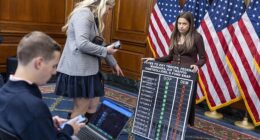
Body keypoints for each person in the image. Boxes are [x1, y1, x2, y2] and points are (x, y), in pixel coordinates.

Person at [0, 31, 85, 140]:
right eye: (54, 66)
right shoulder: (34, 107)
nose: (54, 72)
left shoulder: (3, 92)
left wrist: (46, 123)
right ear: (39, 63)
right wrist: (69, 129)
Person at [55, 0, 124, 120]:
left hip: (90, 71)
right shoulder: (84, 14)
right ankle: (70, 134)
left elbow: (99, 42)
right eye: (109, 7)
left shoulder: (93, 17)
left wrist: (113, 63)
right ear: (103, 4)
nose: (109, 12)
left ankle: (84, 133)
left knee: (92, 106)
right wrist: (106, 51)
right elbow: (82, 44)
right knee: (81, 108)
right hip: (79, 71)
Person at [143, 12, 206, 126]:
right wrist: (154, 59)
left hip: (188, 74)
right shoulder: (174, 35)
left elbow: (203, 58)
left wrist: (197, 65)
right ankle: (170, 123)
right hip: (173, 72)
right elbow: (170, 57)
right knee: (172, 99)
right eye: (179, 23)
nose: (181, 26)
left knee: (183, 101)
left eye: (184, 24)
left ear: (190, 24)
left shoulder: (197, 37)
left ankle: (182, 125)